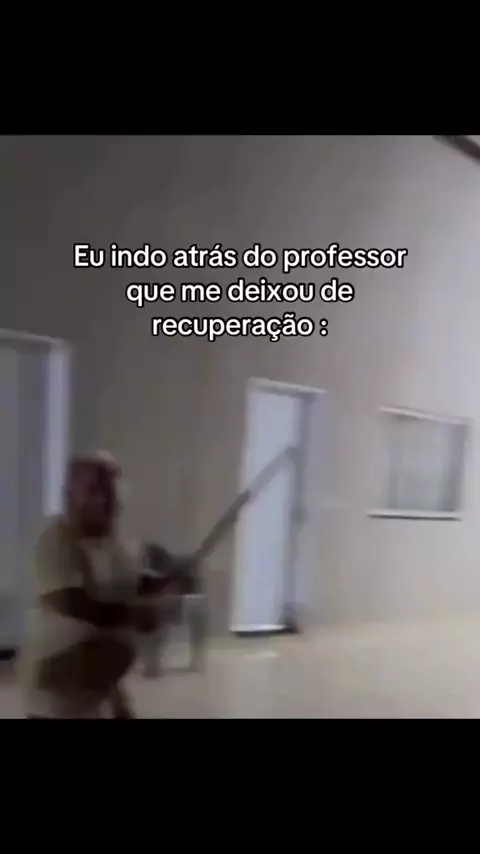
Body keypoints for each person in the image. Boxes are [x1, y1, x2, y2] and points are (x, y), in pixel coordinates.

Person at [18, 454, 158, 718]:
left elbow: (129, 594)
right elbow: (72, 603)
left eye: (111, 492)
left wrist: (161, 587)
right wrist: (134, 615)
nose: (104, 500)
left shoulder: (116, 547)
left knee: (117, 650)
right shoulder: (54, 539)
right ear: (69, 495)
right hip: (53, 693)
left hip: (93, 696)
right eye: (94, 490)